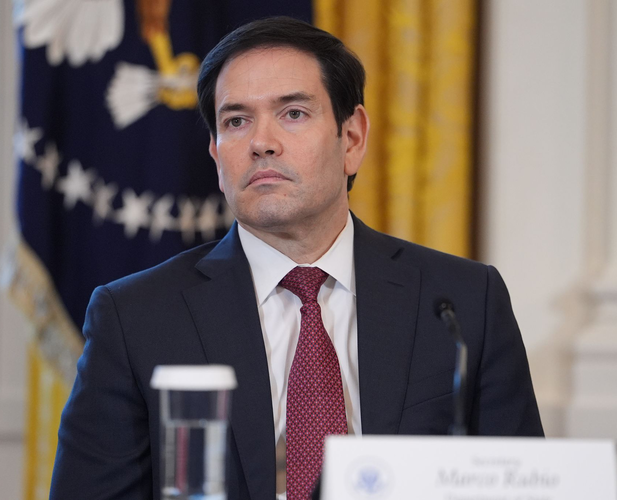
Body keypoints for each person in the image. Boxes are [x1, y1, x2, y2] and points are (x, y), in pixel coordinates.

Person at [50, 16, 543, 500]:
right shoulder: (136, 317)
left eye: (293, 113)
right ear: (217, 155)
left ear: (352, 139)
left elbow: (522, 487)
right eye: (236, 121)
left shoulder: (463, 303)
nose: (261, 143)